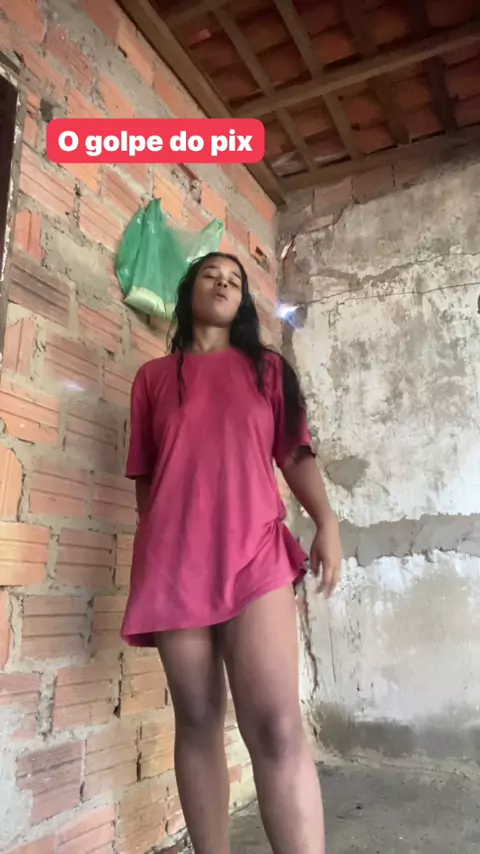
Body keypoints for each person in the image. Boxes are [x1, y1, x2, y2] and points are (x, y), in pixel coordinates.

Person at [121, 252, 343, 854]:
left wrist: (326, 522)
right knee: (196, 721)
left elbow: (293, 454)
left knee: (275, 724)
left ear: (242, 300)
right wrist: (164, 544)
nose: (223, 282)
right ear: (188, 290)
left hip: (255, 555)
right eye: (210, 274)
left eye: (235, 279)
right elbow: (147, 478)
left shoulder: (267, 370)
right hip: (174, 568)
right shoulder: (153, 379)